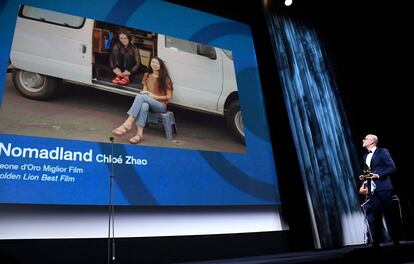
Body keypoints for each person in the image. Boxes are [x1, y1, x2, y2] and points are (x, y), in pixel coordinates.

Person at [111, 56, 173, 144]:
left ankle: (128, 123)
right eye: (152, 62)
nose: (154, 65)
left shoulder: (165, 78)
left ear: (161, 65)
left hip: (160, 105)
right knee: (144, 105)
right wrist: (146, 95)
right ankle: (139, 134)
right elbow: (144, 91)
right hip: (148, 102)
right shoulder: (147, 75)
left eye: (157, 63)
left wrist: (153, 96)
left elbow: (168, 97)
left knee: (141, 97)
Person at [358, 134, 400, 248]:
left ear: (372, 141)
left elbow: (392, 167)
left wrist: (378, 175)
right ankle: (376, 243)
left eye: (365, 138)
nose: (363, 140)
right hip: (372, 190)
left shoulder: (382, 152)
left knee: (390, 214)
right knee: (376, 216)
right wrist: (364, 179)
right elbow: (368, 172)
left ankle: (396, 241)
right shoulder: (365, 156)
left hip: (384, 187)